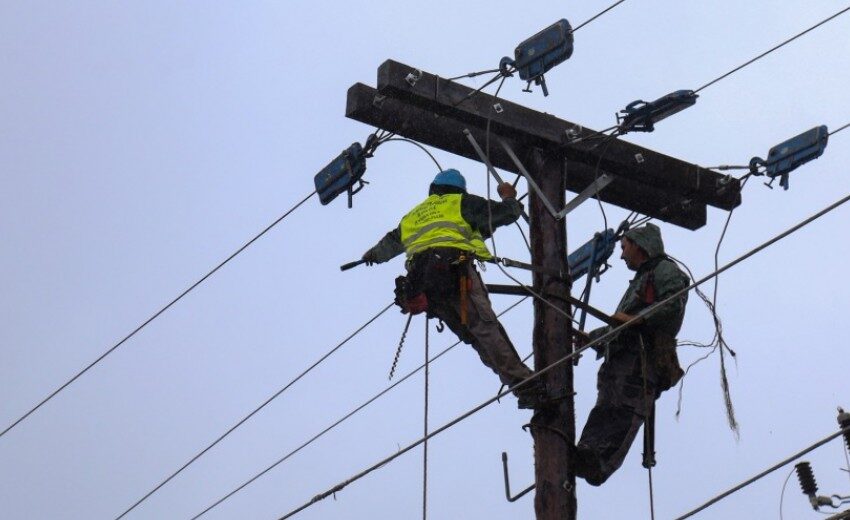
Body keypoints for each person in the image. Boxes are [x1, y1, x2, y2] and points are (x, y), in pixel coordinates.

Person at [361, 169, 543, 409]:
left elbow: (390, 242)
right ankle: (526, 385)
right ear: (459, 189)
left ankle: (521, 387)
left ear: (433, 189)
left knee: (475, 337)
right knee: (486, 329)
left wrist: (372, 255)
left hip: (428, 288)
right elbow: (505, 214)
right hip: (456, 274)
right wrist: (509, 197)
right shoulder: (462, 202)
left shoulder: (413, 216)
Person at [575, 223, 689, 485]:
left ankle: (601, 463)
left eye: (624, 247)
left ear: (639, 245)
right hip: (621, 361)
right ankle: (585, 453)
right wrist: (592, 338)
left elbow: (672, 304)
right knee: (605, 408)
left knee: (625, 411)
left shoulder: (665, 270)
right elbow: (623, 323)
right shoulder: (641, 279)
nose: (622, 254)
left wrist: (636, 319)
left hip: (642, 359)